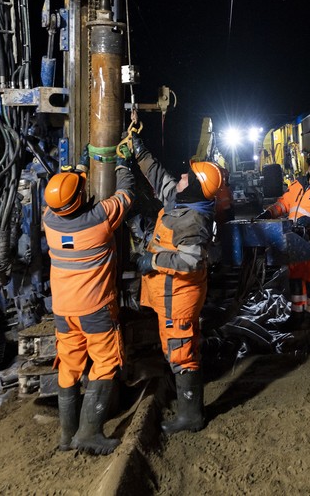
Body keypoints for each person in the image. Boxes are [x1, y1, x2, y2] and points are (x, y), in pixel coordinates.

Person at [43, 148, 136, 455]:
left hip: (63, 311)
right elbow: (125, 194)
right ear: (80, 198)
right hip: (95, 309)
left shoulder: (49, 221)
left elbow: (69, 195)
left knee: (69, 367)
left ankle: (67, 436)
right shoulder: (100, 219)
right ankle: (90, 433)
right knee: (106, 362)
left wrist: (80, 165)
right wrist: (122, 165)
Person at [130, 132, 224, 434]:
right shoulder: (182, 199)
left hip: (178, 296)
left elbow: (191, 261)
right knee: (178, 347)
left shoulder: (193, 221)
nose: (182, 174)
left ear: (195, 186)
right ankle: (186, 404)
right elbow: (159, 177)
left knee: (181, 350)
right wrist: (138, 149)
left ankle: (191, 416)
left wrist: (152, 261)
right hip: (169, 293)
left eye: (188, 175)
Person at [254, 149, 310, 331]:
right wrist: (269, 212)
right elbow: (283, 203)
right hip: (294, 239)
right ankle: (296, 316)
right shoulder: (297, 185)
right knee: (295, 278)